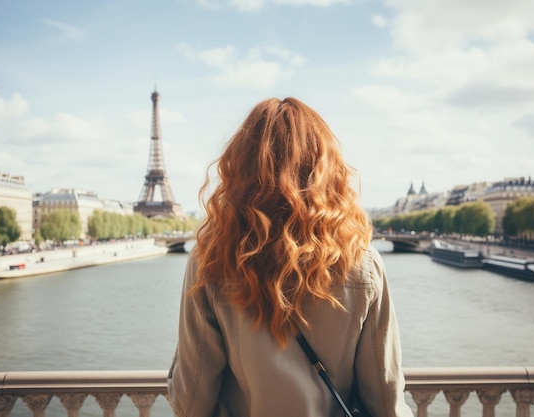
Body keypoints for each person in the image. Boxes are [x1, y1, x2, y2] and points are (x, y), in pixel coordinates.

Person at [168, 97, 413, 417]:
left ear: (240, 170)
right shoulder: (361, 262)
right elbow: (384, 398)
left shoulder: (212, 258)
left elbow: (192, 403)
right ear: (327, 172)